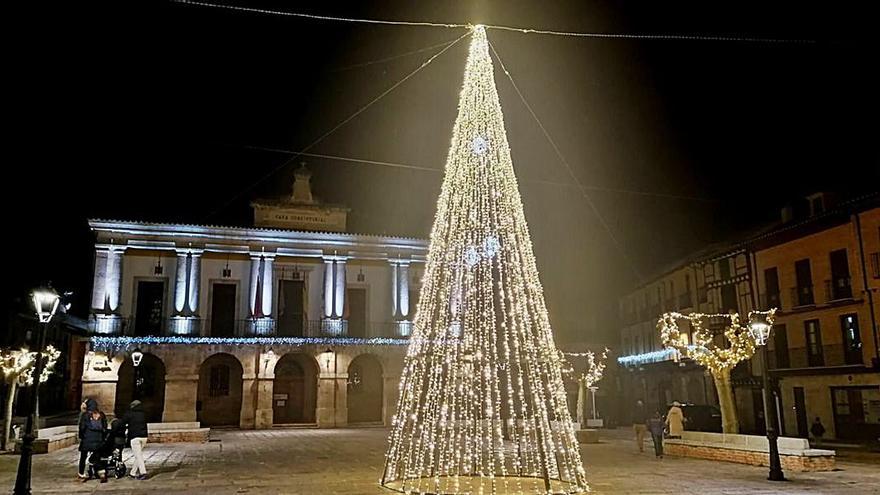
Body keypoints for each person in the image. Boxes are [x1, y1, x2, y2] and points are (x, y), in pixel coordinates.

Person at [78, 399, 105, 481]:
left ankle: (81, 473)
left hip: (87, 440)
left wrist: (82, 437)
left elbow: (82, 428)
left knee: (83, 457)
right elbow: (104, 427)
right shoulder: (101, 415)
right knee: (97, 456)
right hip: (98, 440)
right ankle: (101, 472)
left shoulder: (85, 415)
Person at [121, 400, 149, 480]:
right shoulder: (143, 414)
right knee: (138, 455)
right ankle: (132, 473)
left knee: (138, 455)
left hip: (135, 437)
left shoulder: (130, 413)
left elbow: (123, 422)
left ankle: (143, 472)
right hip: (144, 437)